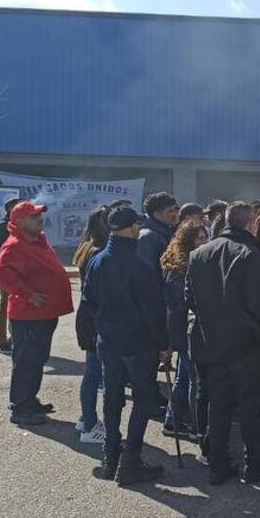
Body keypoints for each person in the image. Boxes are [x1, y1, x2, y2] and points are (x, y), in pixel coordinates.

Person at [187, 202, 260, 484]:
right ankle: (257, 464)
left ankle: (217, 464)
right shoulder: (250, 254)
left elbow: (190, 299)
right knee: (250, 407)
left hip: (212, 341)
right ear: (251, 224)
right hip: (245, 342)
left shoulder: (199, 254)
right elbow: (259, 304)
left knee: (218, 405)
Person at [82, 205, 169, 485]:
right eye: (137, 225)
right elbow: (153, 310)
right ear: (131, 228)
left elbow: (88, 301)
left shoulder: (97, 260)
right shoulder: (139, 264)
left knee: (112, 398)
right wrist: (163, 343)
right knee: (143, 399)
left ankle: (111, 457)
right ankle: (129, 461)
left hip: (108, 340)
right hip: (137, 342)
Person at [0, 201, 74, 426]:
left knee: (36, 359)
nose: (39, 219)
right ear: (19, 221)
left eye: (39, 215)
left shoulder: (36, 239)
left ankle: (28, 400)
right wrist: (28, 294)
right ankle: (21, 408)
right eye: (33, 216)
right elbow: (1, 272)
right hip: (28, 315)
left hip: (42, 314)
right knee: (27, 362)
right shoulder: (15, 244)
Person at [160, 221, 210, 439]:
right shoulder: (181, 268)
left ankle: (172, 420)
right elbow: (181, 304)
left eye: (206, 237)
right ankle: (196, 425)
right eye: (200, 238)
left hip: (181, 329)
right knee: (194, 379)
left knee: (184, 377)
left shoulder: (183, 264)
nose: (205, 242)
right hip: (183, 329)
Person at [72, 206, 111, 444]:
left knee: (91, 373)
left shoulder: (86, 246)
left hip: (87, 314)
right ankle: (89, 425)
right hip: (95, 316)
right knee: (94, 373)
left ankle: (86, 418)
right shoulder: (99, 251)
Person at [0, 197, 21, 355]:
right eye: (15, 205)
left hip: (22, 271)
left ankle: (15, 338)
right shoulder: (2, 227)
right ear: (9, 208)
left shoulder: (24, 225)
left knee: (20, 304)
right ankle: (2, 340)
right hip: (7, 271)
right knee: (5, 305)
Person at [138, 192, 178, 273]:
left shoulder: (167, 232)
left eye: (175, 210)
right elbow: (146, 270)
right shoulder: (148, 237)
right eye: (170, 211)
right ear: (156, 214)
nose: (174, 214)